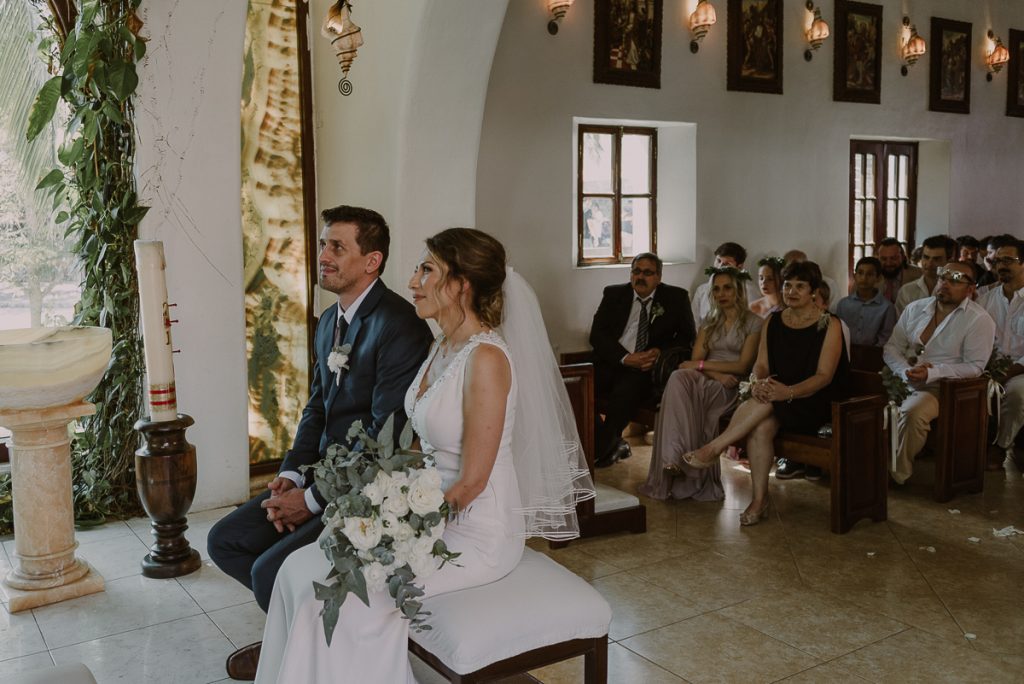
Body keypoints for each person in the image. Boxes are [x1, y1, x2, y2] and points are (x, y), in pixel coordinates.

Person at [255, 228, 595, 683]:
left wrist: (404, 529)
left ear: (461, 285)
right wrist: (377, 501)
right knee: (298, 567)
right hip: (428, 507)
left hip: (474, 531)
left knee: (347, 595)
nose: (413, 280)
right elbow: (418, 446)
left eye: (427, 269)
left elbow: (472, 482)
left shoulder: (487, 359)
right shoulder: (442, 346)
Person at [208, 206, 433, 679]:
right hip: (317, 474)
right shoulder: (329, 319)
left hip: (364, 488)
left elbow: (383, 438)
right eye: (323, 244)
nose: (323, 256)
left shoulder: (400, 326)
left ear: (372, 261)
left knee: (268, 572)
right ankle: (294, 634)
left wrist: (309, 501)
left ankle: (305, 651)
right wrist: (290, 475)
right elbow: (316, 408)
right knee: (224, 541)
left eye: (337, 247)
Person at [681, 261, 848, 526]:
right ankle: (760, 500)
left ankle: (714, 447)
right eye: (787, 285)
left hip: (814, 400)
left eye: (800, 286)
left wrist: (788, 392)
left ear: (814, 291)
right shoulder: (773, 320)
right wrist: (757, 382)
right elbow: (761, 364)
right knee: (761, 427)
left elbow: (824, 376)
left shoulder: (830, 324)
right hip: (777, 395)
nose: (791, 291)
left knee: (767, 402)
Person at [639, 268, 762, 501]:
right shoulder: (709, 321)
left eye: (727, 288)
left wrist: (707, 369)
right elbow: (694, 362)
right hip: (712, 376)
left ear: (738, 290)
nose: (721, 293)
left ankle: (684, 465)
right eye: (716, 289)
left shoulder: (755, 323)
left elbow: (742, 366)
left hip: (734, 384)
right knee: (678, 377)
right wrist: (712, 372)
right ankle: (673, 459)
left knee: (692, 386)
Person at [883, 262, 995, 485]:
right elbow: (891, 348)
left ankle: (897, 473)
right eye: (943, 278)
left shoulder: (979, 319)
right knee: (860, 405)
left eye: (955, 281)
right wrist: (905, 370)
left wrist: (933, 373)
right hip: (901, 378)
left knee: (913, 412)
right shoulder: (915, 308)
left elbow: (975, 367)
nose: (945, 284)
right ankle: (861, 464)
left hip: (943, 387)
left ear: (970, 288)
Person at [589, 253, 696, 467]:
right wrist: (625, 357)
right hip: (614, 361)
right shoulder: (614, 294)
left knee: (624, 392)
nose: (640, 277)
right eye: (636, 271)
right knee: (577, 388)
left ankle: (600, 450)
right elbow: (597, 335)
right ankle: (609, 443)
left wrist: (659, 352)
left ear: (658, 276)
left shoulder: (676, 298)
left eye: (647, 273)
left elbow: (687, 338)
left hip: (646, 370)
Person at [978, 236, 1024, 467]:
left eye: (1009, 260)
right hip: (989, 367)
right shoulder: (986, 300)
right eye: (998, 260)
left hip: (1021, 370)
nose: (1001, 265)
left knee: (1017, 393)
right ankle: (967, 446)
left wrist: (1008, 372)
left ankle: (1000, 446)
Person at [835, 256, 897, 347]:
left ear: (878, 278)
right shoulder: (843, 304)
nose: (864, 278)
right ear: (854, 276)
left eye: (870, 274)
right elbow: (838, 332)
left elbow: (886, 337)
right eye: (860, 273)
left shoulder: (886, 307)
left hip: (875, 354)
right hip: (846, 352)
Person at [691, 242, 760, 323]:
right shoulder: (701, 290)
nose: (720, 267)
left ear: (739, 267)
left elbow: (753, 322)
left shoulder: (749, 291)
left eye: (726, 263)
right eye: (718, 260)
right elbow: (693, 321)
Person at [896, 235, 955, 315]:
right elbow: (901, 325)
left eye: (936, 259)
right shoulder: (907, 291)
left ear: (949, 261)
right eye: (926, 257)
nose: (929, 264)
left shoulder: (956, 290)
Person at [876, 238, 922, 304]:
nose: (888, 263)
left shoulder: (918, 275)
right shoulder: (870, 277)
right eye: (883, 259)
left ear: (903, 257)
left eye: (893, 258)